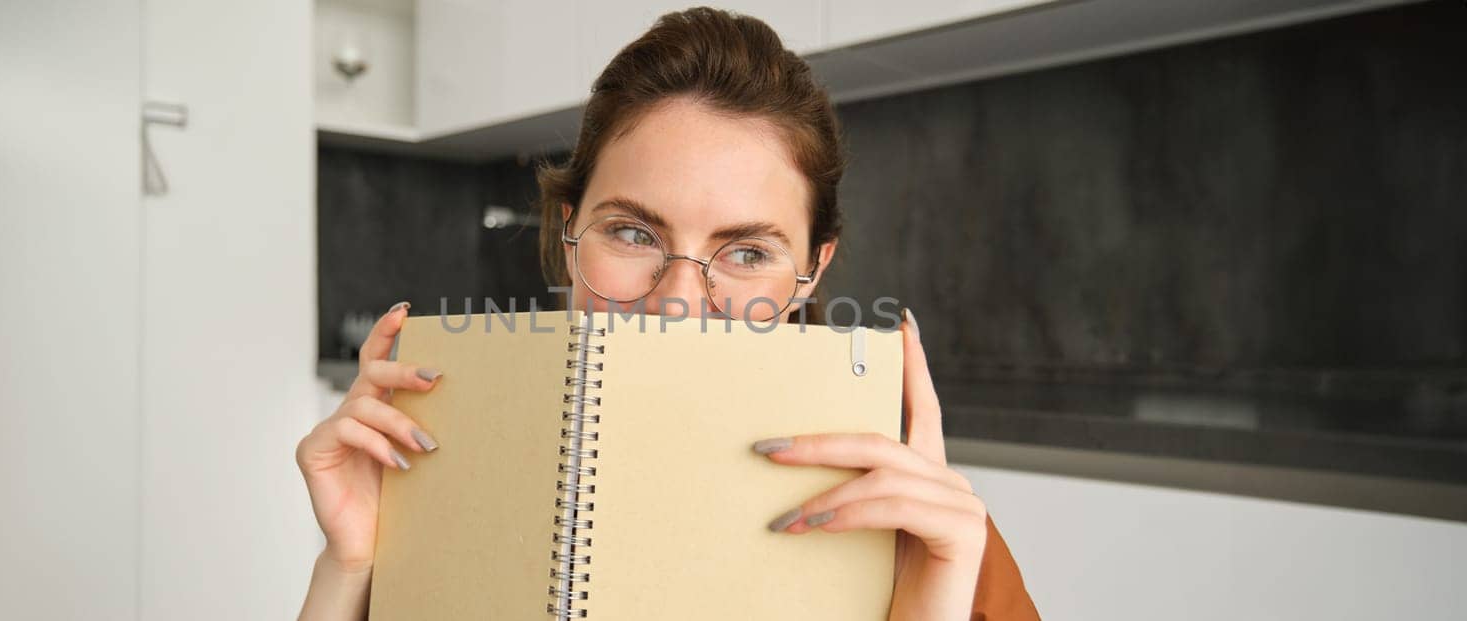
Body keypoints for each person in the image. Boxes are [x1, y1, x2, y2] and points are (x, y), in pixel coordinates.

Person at [296, 7, 1038, 620]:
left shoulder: (926, 534)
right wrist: (351, 565)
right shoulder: (433, 480)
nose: (677, 304)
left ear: (811, 272)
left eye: (746, 251)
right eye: (633, 233)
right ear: (568, 234)